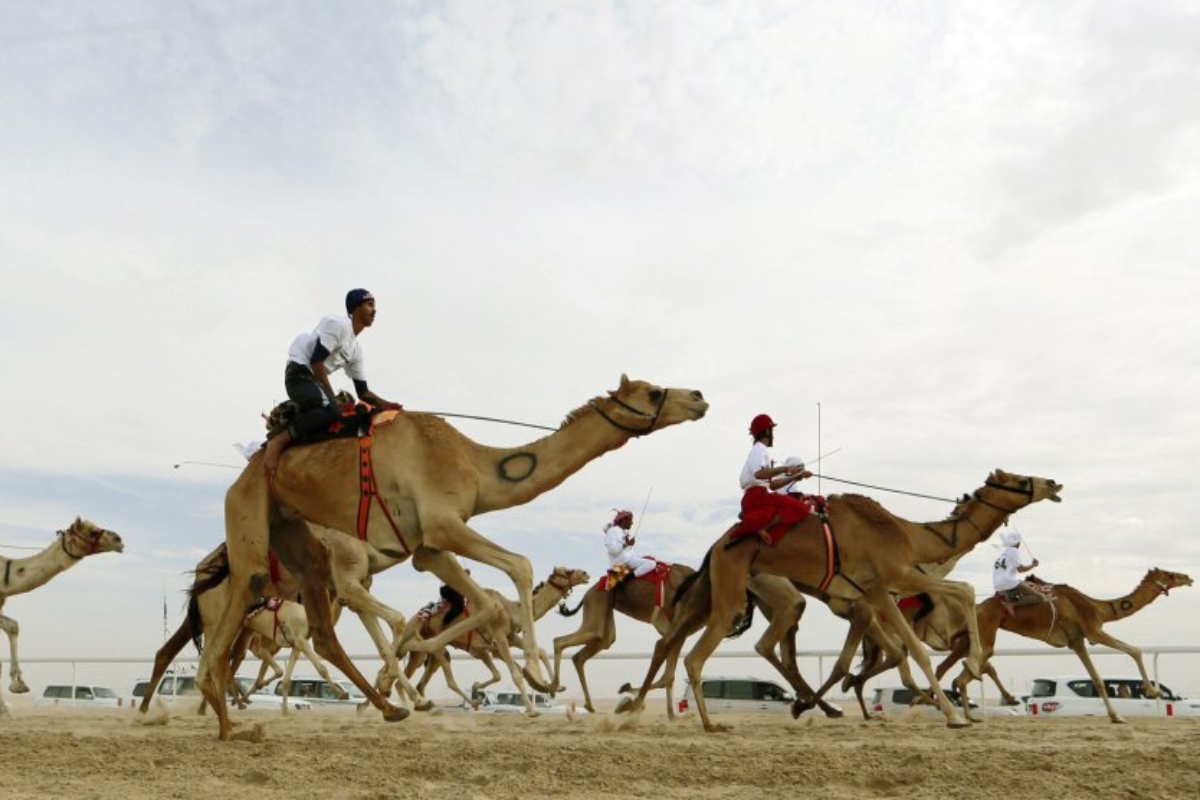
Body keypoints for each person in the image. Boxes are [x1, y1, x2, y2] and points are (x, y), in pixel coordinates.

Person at [263, 288, 403, 475]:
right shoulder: (339, 325)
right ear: (355, 308)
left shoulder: (356, 350)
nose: (374, 310)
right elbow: (316, 361)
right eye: (370, 305)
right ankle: (278, 441)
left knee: (343, 407)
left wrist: (388, 405)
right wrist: (331, 397)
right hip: (299, 373)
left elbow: (363, 393)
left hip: (314, 380)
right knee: (333, 409)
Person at [739, 414, 814, 544]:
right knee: (801, 508)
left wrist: (796, 476)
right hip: (757, 497)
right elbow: (759, 474)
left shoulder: (759, 451)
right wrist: (785, 469)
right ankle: (763, 527)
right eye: (772, 430)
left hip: (757, 496)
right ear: (767, 431)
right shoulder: (759, 449)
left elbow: (772, 486)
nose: (773, 435)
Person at [604, 510, 657, 579]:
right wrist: (626, 544)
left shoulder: (622, 532)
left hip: (629, 561)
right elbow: (612, 550)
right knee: (651, 563)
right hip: (620, 564)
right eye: (630, 520)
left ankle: (630, 576)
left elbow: (626, 551)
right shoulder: (612, 531)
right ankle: (629, 577)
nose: (632, 523)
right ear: (624, 520)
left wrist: (629, 545)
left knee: (652, 562)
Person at [992, 529, 1040, 599]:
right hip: (1008, 583)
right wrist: (1033, 565)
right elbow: (1021, 569)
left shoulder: (1003, 554)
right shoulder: (1014, 551)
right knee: (1040, 597)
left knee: (1026, 584)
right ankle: (1012, 604)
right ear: (1018, 543)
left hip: (997, 586)